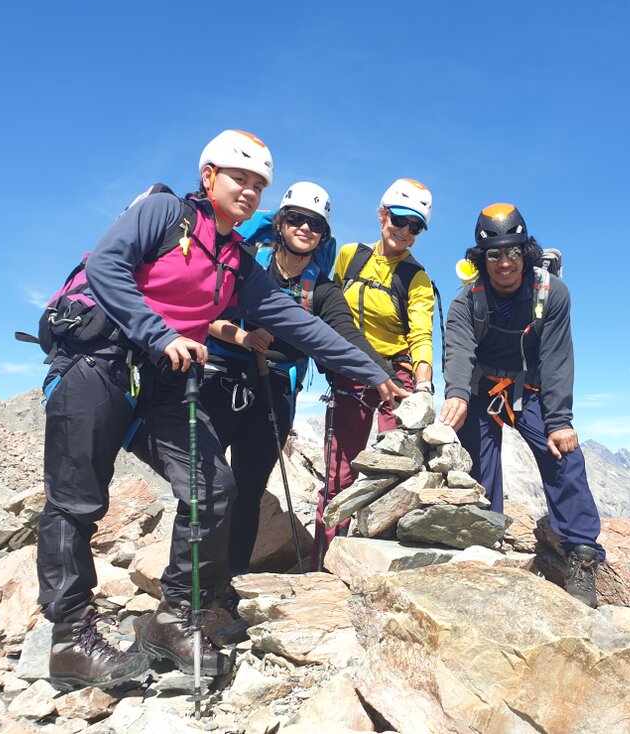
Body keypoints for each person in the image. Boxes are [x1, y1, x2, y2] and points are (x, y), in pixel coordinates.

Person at [37, 131, 406, 690]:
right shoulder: (163, 213)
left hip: (161, 382)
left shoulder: (236, 262)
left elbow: (299, 324)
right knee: (76, 501)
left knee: (214, 487)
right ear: (208, 176)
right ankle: (68, 638)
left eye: (260, 185)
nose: (250, 192)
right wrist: (159, 333)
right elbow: (110, 266)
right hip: (100, 363)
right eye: (241, 179)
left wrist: (371, 372)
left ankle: (174, 617)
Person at [201, 181, 394, 579]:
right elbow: (204, 307)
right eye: (296, 219)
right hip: (221, 378)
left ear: (324, 234)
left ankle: (234, 578)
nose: (305, 229)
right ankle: (194, 582)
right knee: (206, 486)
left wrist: (385, 377)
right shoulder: (247, 259)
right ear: (281, 222)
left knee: (250, 489)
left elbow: (345, 335)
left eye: (315, 225)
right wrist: (240, 336)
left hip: (274, 388)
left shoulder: (322, 290)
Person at [439, 203, 605, 607]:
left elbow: (557, 357)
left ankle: (581, 557)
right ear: (482, 259)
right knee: (478, 469)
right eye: (494, 254)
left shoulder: (553, 293)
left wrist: (560, 419)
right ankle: (483, 549)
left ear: (526, 252)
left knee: (563, 456)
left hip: (531, 390)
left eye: (513, 251)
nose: (505, 262)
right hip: (481, 392)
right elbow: (458, 350)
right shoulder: (467, 302)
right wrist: (457, 393)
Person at [316, 178, 435, 568]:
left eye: (415, 226)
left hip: (396, 379)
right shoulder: (349, 256)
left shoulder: (416, 278)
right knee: (340, 470)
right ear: (382, 214)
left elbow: (421, 333)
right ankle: (326, 561)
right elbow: (328, 306)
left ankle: (380, 564)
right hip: (350, 372)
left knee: (394, 472)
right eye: (399, 219)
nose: (404, 231)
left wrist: (423, 383)